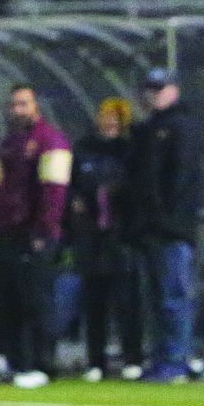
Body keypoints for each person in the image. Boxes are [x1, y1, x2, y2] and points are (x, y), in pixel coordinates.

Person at [0, 85, 70, 388]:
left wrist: (43, 230)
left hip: (34, 234)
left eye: (23, 104)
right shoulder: (8, 144)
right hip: (8, 233)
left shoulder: (51, 140)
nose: (17, 110)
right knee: (10, 301)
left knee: (37, 300)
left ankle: (42, 364)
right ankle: (18, 362)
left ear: (36, 106)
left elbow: (54, 190)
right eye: (13, 105)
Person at [128, 68, 204, 383]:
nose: (153, 94)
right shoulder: (150, 129)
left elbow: (181, 179)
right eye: (150, 88)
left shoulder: (181, 127)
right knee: (159, 298)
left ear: (174, 90)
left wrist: (166, 217)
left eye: (159, 88)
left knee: (173, 295)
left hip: (170, 228)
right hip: (152, 228)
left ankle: (176, 360)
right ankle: (164, 358)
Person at [68, 97, 143, 382]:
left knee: (127, 300)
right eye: (106, 117)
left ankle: (132, 356)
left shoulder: (131, 151)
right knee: (94, 300)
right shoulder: (86, 150)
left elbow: (136, 190)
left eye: (116, 118)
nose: (110, 123)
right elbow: (73, 186)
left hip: (121, 234)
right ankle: (95, 360)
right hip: (91, 235)